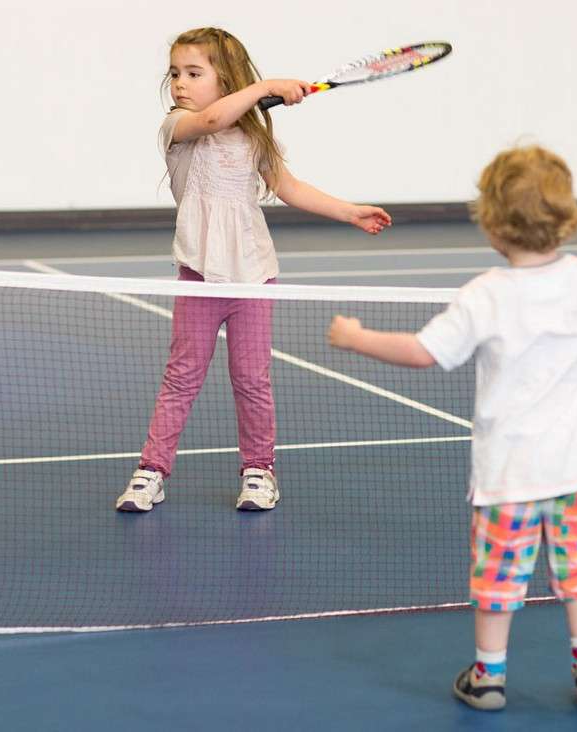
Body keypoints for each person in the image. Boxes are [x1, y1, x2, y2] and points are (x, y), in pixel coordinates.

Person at [327, 145, 577, 710]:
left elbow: (424, 353)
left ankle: (488, 677)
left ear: (492, 225)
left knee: (498, 580)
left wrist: (356, 337)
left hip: (506, 478)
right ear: (568, 217)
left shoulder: (485, 294)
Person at [117, 27, 392, 513]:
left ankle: (259, 470)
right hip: (199, 278)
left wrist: (350, 211)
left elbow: (290, 187)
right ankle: (151, 471)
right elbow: (213, 116)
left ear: (226, 78)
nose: (179, 82)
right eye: (175, 73)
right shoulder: (179, 125)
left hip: (252, 275)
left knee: (252, 379)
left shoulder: (252, 136)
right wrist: (266, 88)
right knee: (181, 377)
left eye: (194, 73)